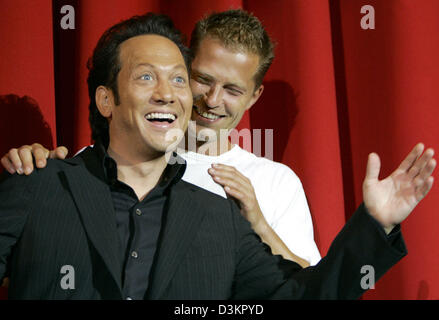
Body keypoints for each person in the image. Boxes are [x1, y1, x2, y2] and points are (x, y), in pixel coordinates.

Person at [0, 12, 436, 300]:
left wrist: (373, 225)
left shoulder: (221, 215)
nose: (171, 93)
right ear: (106, 100)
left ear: (253, 96)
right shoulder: (43, 181)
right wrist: (37, 169)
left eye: (176, 79)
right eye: (148, 77)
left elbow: (301, 294)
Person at [2, 10, 319, 267]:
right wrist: (35, 171)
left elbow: (305, 289)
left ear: (253, 97)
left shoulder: (277, 183)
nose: (211, 99)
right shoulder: (105, 157)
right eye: (202, 80)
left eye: (232, 90)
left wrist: (258, 224)